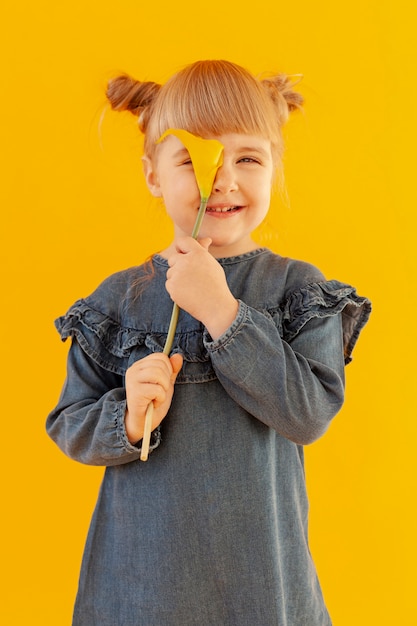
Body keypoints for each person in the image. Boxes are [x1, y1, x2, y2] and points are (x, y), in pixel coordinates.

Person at [47, 59, 371, 626]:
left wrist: (223, 313)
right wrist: (125, 419)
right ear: (153, 173)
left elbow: (310, 413)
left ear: (274, 167)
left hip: (263, 591)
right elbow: (69, 422)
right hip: (141, 594)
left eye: (247, 157)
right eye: (194, 157)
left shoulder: (299, 290)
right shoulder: (117, 302)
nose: (222, 176)